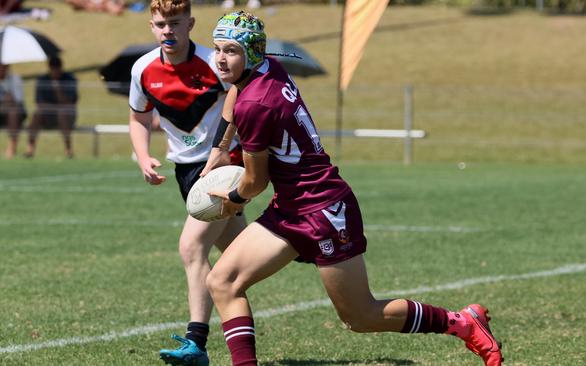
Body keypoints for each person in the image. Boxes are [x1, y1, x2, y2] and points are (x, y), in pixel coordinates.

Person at [204, 11, 504, 366]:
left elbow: (255, 181)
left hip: (324, 210)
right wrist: (221, 149)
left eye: (231, 51)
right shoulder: (266, 68)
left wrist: (232, 200)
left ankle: (463, 323)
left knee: (360, 317)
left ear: (251, 53)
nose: (221, 59)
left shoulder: (257, 104)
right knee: (222, 281)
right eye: (217, 49)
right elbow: (234, 92)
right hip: (290, 209)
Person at [128, 1, 246, 364]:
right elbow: (137, 117)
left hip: (222, 166)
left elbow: (244, 102)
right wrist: (144, 154)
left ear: (190, 24)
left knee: (192, 248)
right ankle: (301, 242)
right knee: (239, 259)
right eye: (161, 24)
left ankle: (196, 342)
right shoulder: (143, 69)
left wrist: (225, 150)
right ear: (152, 26)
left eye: (175, 23)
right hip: (185, 171)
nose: (168, 31)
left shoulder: (215, 62)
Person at [26, 56, 78, 159]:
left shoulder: (70, 79)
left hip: (67, 117)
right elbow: (39, 103)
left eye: (57, 68)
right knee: (37, 114)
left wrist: (58, 89)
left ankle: (68, 149)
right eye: (53, 69)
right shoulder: (42, 80)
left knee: (62, 113)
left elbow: (70, 103)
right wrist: (57, 107)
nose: (55, 71)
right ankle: (30, 148)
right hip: (47, 116)